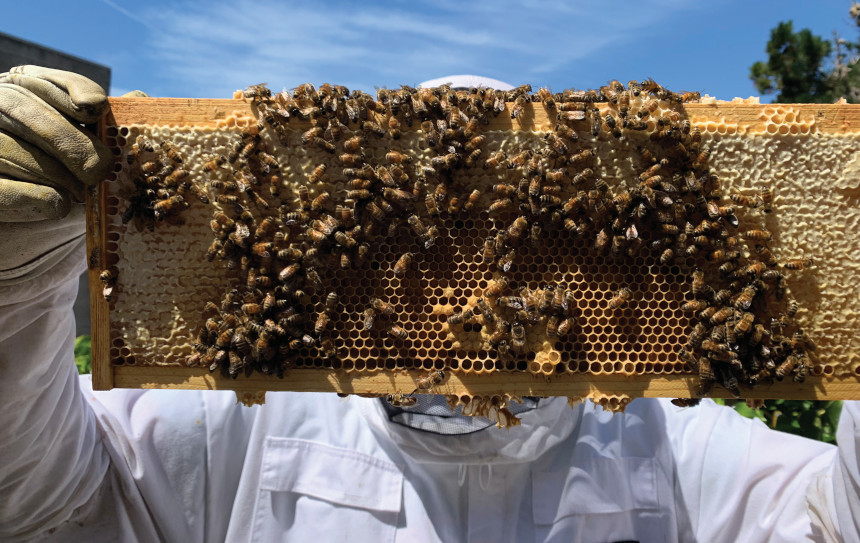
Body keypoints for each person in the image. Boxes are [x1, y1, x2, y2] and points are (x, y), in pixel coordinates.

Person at [0, 66, 856, 543]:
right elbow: (41, 502)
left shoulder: (669, 441)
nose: (469, 285)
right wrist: (14, 278)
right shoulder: (238, 425)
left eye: (509, 234)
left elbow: (834, 521)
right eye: (425, 236)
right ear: (353, 242)